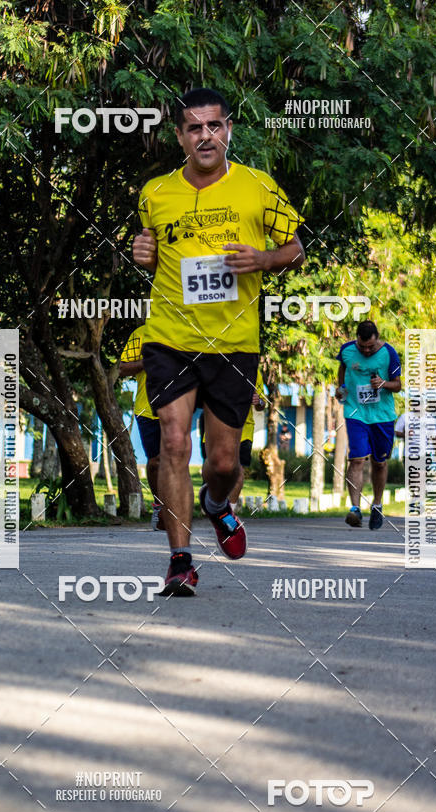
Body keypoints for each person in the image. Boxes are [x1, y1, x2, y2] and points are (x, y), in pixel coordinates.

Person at [132, 87, 304, 595]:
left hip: (233, 342)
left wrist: (264, 259)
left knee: (224, 463)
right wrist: (143, 253)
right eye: (193, 128)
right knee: (173, 442)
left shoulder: (258, 187)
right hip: (170, 336)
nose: (204, 136)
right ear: (180, 136)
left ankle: (216, 503)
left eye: (214, 126)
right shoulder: (155, 193)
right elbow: (152, 252)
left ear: (228, 130)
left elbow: (296, 247)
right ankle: (180, 561)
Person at [336, 320, 402, 530]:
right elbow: (342, 370)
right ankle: (355, 509)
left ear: (377, 339)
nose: (366, 350)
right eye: (362, 346)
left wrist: (383, 383)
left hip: (382, 416)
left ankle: (377, 504)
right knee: (356, 459)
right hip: (355, 412)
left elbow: (398, 385)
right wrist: (342, 389)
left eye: (370, 347)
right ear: (357, 339)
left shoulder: (389, 353)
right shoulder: (346, 350)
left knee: (379, 462)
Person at [119, 326, 165, 531]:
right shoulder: (140, 333)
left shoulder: (184, 329)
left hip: (177, 405)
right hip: (147, 408)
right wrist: (148, 361)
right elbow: (123, 368)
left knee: (175, 460)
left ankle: (175, 510)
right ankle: (159, 506)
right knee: (155, 461)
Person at [200, 370, 266, 508]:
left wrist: (258, 401)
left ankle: (230, 510)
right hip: (215, 427)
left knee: (238, 470)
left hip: (243, 429)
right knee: (213, 470)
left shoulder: (254, 371)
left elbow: (261, 405)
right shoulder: (214, 364)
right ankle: (210, 508)